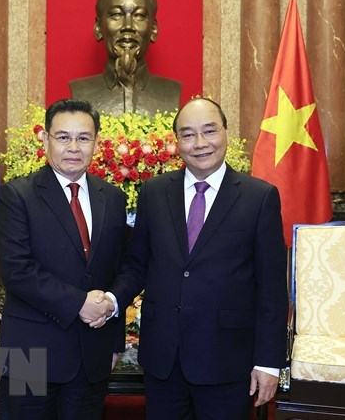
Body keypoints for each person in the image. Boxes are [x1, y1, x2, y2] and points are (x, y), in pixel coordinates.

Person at [106, 97, 288, 418]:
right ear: (176, 142)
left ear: (226, 133)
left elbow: (271, 289)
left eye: (209, 131)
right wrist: (111, 301)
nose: (200, 143)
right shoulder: (153, 192)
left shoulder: (259, 198)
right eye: (188, 134)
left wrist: (269, 362)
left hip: (228, 361)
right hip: (164, 359)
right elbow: (137, 265)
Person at [0, 99, 126, 419]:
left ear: (96, 142)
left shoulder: (112, 197)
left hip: (91, 349)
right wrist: (79, 303)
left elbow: (121, 267)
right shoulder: (17, 195)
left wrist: (114, 337)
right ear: (45, 140)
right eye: (63, 137)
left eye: (83, 138)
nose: (73, 147)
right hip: (29, 351)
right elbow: (16, 271)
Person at [70, 0, 181, 116]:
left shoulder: (172, 92)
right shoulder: (80, 91)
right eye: (116, 14)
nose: (128, 26)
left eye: (139, 15)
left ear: (153, 29)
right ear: (98, 28)